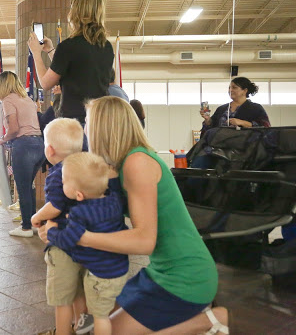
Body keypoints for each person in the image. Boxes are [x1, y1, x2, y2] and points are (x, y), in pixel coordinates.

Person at [38, 96, 228, 334]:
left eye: (88, 123)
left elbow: (144, 241)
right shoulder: (122, 163)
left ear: (102, 128)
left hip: (186, 277)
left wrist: (78, 237)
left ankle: (212, 319)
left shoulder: (137, 162)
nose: (86, 130)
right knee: (93, 321)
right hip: (159, 271)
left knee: (109, 331)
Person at [44, 152, 129, 335]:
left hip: (99, 276)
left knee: (101, 318)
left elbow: (67, 239)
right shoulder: (114, 199)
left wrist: (51, 231)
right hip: (119, 269)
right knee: (105, 313)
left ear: (79, 195)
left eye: (64, 183)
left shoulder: (79, 213)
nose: (62, 185)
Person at [29, 118, 88, 335]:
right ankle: (82, 329)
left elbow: (55, 206)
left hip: (63, 244)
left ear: (50, 149)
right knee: (79, 291)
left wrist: (37, 216)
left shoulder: (57, 173)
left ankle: (62, 332)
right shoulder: (85, 168)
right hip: (85, 240)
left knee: (62, 297)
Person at [28, 0, 114, 126]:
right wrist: (50, 50)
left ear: (75, 12)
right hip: (100, 119)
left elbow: (45, 83)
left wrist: (36, 53)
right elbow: (75, 68)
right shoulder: (107, 47)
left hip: (74, 121)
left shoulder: (68, 46)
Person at [0, 71, 45, 238]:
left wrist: (3, 139)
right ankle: (33, 224)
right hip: (39, 144)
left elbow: (14, 128)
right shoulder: (27, 99)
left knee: (23, 188)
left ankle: (26, 228)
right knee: (29, 186)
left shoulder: (8, 100)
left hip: (24, 146)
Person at [200, 76, 270, 135]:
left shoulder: (256, 108)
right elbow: (211, 128)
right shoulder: (221, 109)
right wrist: (208, 120)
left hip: (245, 145)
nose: (230, 90)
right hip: (220, 145)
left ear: (245, 91)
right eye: (229, 88)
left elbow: (266, 127)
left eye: (234, 87)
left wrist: (243, 123)